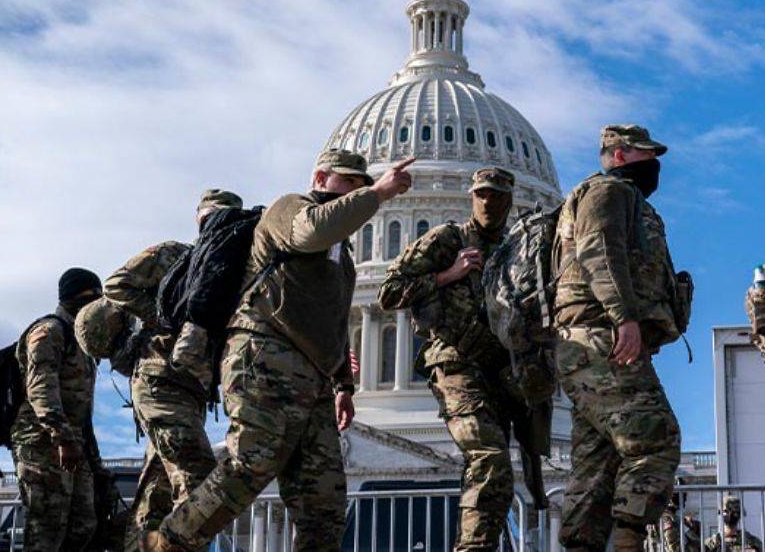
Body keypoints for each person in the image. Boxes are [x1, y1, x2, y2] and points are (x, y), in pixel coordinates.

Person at [143, 150, 414, 552]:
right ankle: (168, 542)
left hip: (315, 379)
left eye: (361, 184)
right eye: (348, 182)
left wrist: (343, 385)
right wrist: (377, 193)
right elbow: (311, 231)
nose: (355, 191)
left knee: (323, 502)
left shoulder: (341, 258)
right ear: (320, 178)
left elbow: (334, 322)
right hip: (265, 357)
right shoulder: (289, 208)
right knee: (249, 466)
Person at [553, 125, 684, 551]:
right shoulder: (607, 192)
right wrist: (623, 317)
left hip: (589, 341)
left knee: (598, 463)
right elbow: (599, 252)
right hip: (601, 337)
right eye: (647, 154)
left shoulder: (628, 200)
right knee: (655, 438)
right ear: (621, 155)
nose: (655, 164)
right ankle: (629, 541)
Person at [378, 167, 520, 551]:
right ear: (471, 197)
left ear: (509, 201)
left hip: (500, 373)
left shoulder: (515, 250)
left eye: (497, 196)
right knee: (490, 461)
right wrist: (447, 275)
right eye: (482, 194)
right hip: (456, 364)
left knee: (493, 474)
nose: (488, 202)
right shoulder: (447, 239)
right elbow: (389, 292)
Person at [105, 189, 242, 549]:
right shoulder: (174, 254)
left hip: (191, 389)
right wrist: (168, 318)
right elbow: (116, 285)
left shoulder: (230, 265)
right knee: (197, 479)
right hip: (160, 379)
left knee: (158, 492)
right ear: (199, 219)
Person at [10, 267, 104, 552]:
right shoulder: (50, 331)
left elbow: (82, 407)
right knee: (46, 530)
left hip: (73, 443)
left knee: (83, 525)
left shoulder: (82, 340)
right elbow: (40, 389)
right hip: (42, 443)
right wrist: (62, 437)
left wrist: (89, 453)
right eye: (93, 296)